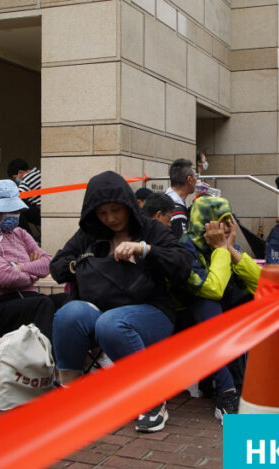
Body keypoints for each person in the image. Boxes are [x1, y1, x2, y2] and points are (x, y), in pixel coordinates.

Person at [50, 171, 192, 433]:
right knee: (69, 313)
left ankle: (152, 400)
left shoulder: (151, 229)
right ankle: (70, 391)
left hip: (151, 313)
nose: (111, 218)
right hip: (100, 311)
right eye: (102, 213)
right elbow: (57, 266)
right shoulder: (88, 235)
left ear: (127, 204)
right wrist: (81, 264)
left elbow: (183, 264)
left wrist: (144, 249)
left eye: (116, 210)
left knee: (110, 322)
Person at [178, 197, 261, 423]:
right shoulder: (185, 248)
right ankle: (227, 393)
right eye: (220, 221)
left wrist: (232, 250)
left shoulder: (224, 245)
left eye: (228, 221)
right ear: (203, 221)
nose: (226, 227)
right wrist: (222, 250)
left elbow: (263, 285)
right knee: (210, 304)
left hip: (222, 316)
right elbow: (212, 289)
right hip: (191, 319)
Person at [0, 180, 59, 341]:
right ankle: (46, 362)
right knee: (42, 305)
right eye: (8, 210)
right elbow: (6, 276)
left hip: (26, 298)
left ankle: (84, 358)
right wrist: (32, 272)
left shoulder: (20, 233)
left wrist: (18, 267)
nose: (13, 214)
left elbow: (48, 263)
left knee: (67, 301)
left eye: (15, 210)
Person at [6, 159, 42, 244]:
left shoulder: (27, 179)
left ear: (20, 172)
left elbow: (15, 196)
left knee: (15, 209)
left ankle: (30, 240)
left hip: (41, 213)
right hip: (43, 211)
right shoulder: (38, 173)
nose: (17, 180)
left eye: (15, 178)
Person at [165, 158, 196, 238]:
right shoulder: (177, 211)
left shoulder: (164, 199)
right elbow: (182, 245)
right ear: (189, 180)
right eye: (196, 176)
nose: (197, 180)